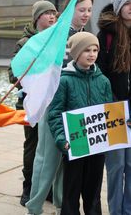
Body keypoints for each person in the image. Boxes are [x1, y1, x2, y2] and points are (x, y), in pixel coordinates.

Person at [26, 0, 94, 215]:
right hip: (53, 106)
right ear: (70, 9)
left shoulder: (86, 33)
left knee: (67, 161)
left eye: (89, 10)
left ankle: (58, 204)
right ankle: (34, 207)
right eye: (81, 9)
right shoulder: (56, 34)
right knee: (47, 161)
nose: (85, 14)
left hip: (75, 108)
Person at [48, 32, 112, 215]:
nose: (92, 54)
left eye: (95, 50)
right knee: (71, 192)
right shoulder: (64, 81)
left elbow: (108, 112)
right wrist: (61, 139)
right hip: (74, 146)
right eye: (86, 50)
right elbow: (54, 114)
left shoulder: (104, 81)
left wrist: (120, 124)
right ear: (76, 53)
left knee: (93, 193)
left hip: (97, 147)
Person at [8, 0, 57, 206]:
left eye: (55, 13)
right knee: (33, 146)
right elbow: (13, 74)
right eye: (48, 13)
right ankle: (28, 187)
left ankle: (46, 188)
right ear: (38, 18)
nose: (52, 16)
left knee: (49, 148)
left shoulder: (56, 40)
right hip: (32, 104)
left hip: (52, 103)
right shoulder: (25, 43)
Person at [96, 0, 131, 215]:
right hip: (115, 107)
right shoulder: (106, 35)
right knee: (117, 165)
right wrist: (111, 103)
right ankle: (116, 211)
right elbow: (100, 73)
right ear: (119, 8)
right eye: (128, 4)